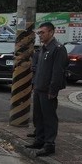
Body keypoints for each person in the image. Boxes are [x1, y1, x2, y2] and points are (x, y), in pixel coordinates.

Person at [25, 22, 68, 156]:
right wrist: (34, 84)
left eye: (42, 33)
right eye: (39, 33)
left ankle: (49, 144)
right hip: (39, 88)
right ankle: (39, 140)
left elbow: (57, 72)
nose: (40, 35)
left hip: (48, 90)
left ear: (51, 32)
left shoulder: (58, 48)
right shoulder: (43, 48)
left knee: (49, 118)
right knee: (38, 116)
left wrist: (53, 90)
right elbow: (38, 70)